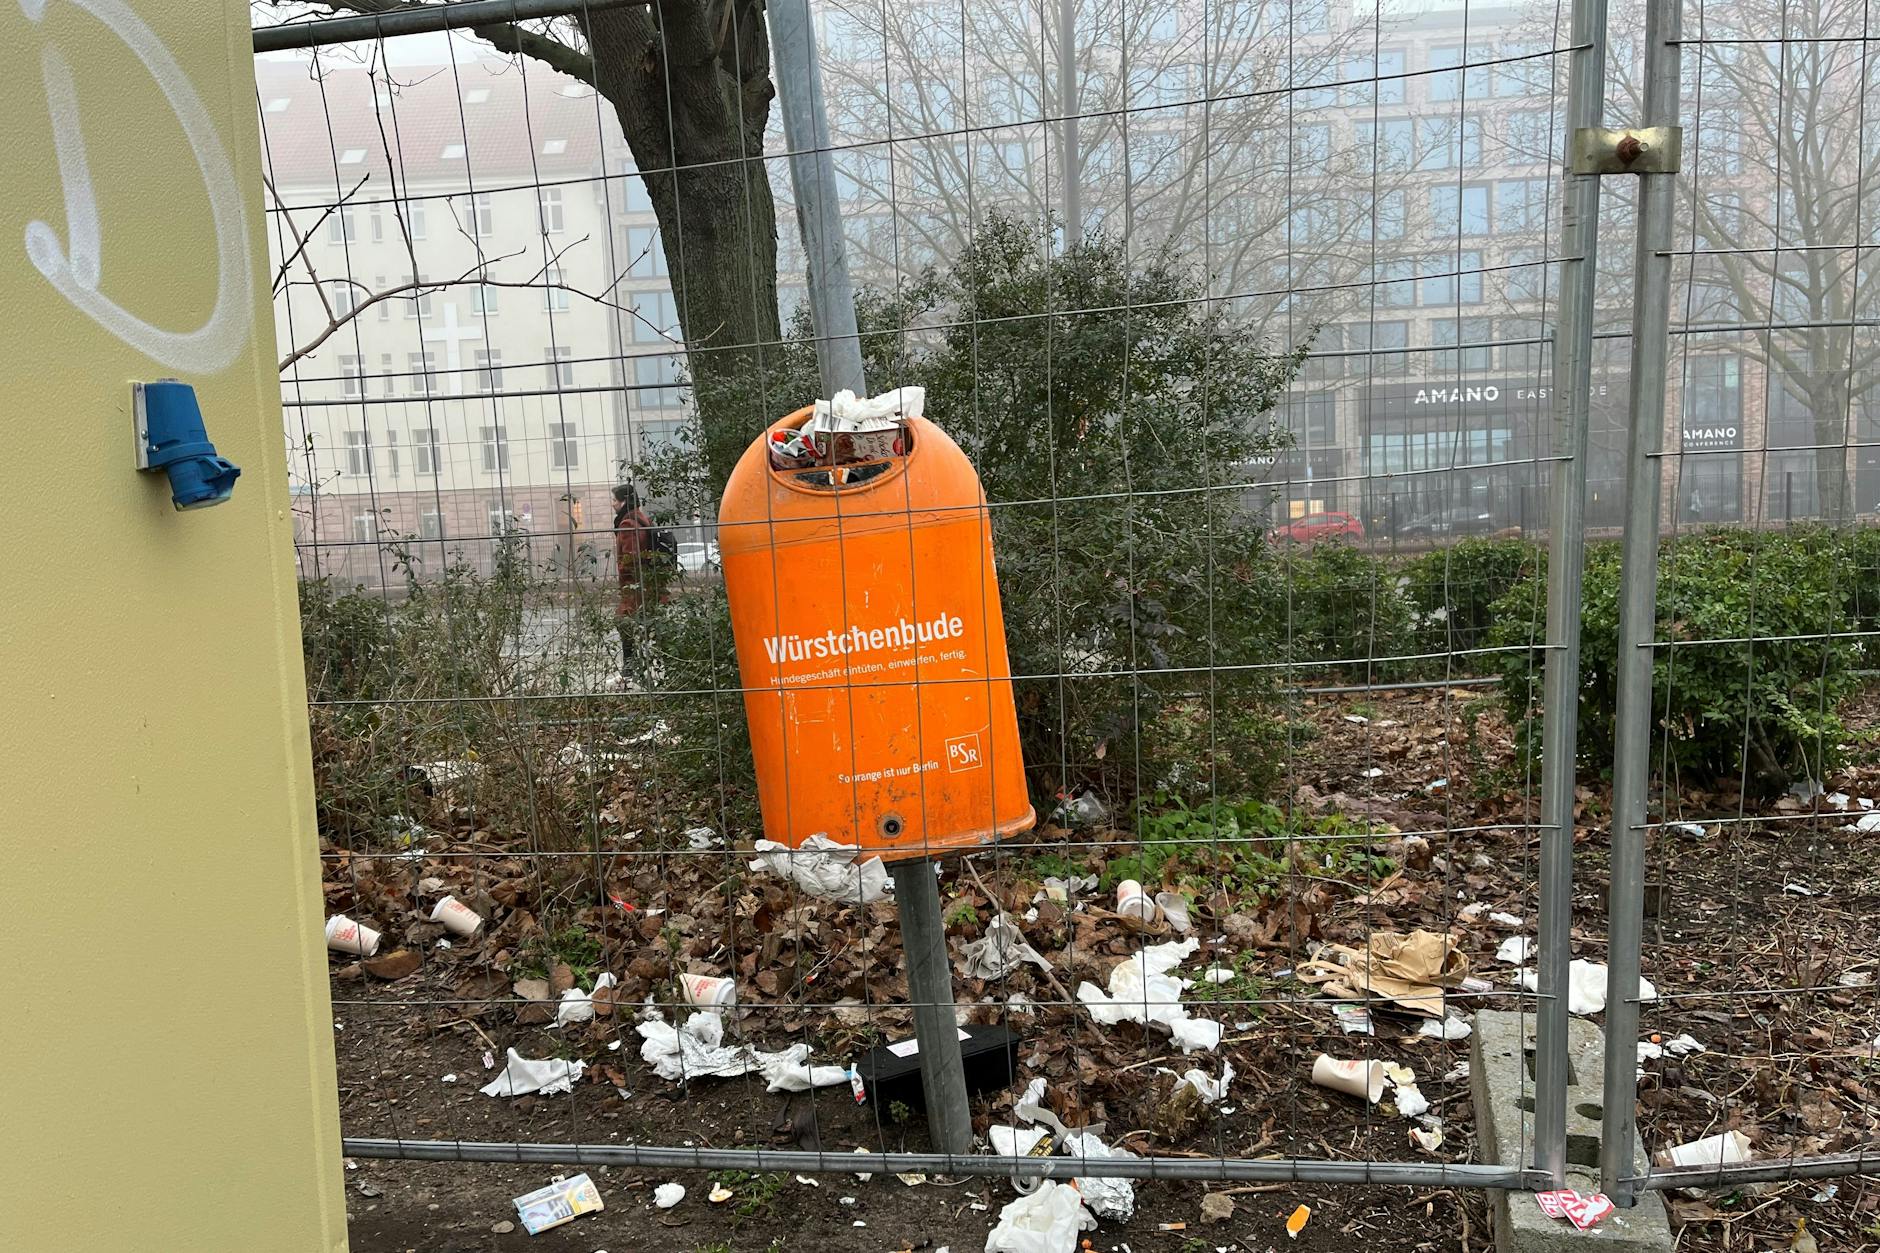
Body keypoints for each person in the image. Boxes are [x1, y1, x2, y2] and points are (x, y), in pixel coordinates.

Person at [612, 483, 671, 672]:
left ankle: (630, 667)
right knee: (654, 624)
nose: (612, 504)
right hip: (650, 584)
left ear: (624, 502)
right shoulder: (642, 517)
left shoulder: (629, 523)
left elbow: (631, 557)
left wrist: (623, 570)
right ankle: (668, 664)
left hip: (636, 587)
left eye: (614, 500)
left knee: (624, 621)